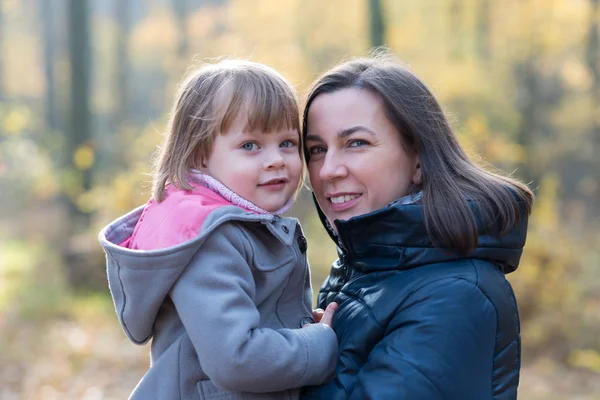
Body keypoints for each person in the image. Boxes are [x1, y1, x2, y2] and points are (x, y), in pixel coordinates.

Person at [98, 59, 338, 400]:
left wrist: (297, 326)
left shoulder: (247, 230)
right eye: (250, 145)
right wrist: (318, 344)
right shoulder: (211, 240)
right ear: (200, 157)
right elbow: (235, 358)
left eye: (287, 142)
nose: (276, 159)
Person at [300, 52, 534, 400]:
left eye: (357, 143)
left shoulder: (456, 294)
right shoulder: (364, 267)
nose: (328, 170)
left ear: (419, 160)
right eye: (317, 149)